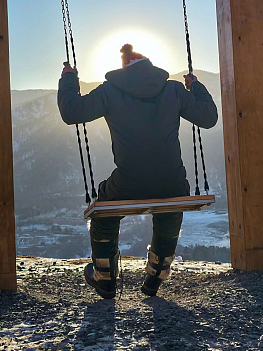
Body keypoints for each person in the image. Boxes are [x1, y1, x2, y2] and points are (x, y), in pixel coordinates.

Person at [58, 43, 218, 299]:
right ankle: (156, 276)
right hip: (172, 181)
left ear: (123, 66)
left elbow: (71, 112)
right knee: (171, 205)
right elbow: (209, 118)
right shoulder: (173, 89)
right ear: (148, 64)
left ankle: (105, 278)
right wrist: (196, 87)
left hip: (128, 182)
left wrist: (68, 80)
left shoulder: (110, 92)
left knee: (103, 213)